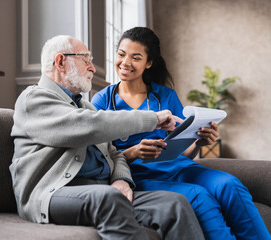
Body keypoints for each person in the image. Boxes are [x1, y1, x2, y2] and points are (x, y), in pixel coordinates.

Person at [9, 34, 206, 240]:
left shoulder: (85, 106)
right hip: (51, 193)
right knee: (109, 198)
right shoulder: (33, 99)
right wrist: (153, 119)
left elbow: (114, 153)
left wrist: (121, 179)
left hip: (101, 190)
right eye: (86, 59)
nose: (93, 68)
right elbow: (87, 126)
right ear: (60, 62)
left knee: (175, 204)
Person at [91, 26, 271, 240]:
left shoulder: (165, 95)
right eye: (121, 54)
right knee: (199, 196)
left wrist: (198, 143)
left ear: (149, 63)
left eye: (135, 57)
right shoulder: (101, 101)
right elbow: (99, 158)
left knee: (229, 185)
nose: (125, 62)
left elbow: (181, 151)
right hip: (140, 176)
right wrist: (135, 152)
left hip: (179, 167)